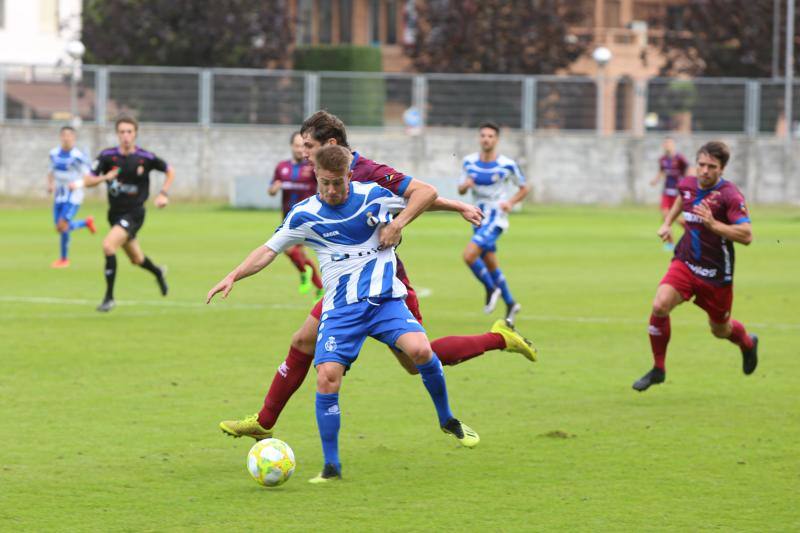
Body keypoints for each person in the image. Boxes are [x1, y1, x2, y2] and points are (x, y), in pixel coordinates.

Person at [218, 111, 536, 443]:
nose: (304, 152)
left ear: (330, 144)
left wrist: (408, 221)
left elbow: (418, 194)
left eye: (308, 146)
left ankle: (499, 338)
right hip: (344, 283)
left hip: (383, 281)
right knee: (302, 342)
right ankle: (265, 420)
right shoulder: (326, 171)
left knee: (416, 360)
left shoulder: (367, 171)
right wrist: (456, 205)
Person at [208, 145, 480, 482]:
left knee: (422, 351)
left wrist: (436, 214)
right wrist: (234, 274)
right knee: (326, 377)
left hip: (385, 302)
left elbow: (424, 196)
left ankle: (446, 418)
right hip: (340, 311)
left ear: (349, 175)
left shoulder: (373, 196)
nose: (332, 190)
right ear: (316, 178)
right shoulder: (304, 214)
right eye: (325, 183)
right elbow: (267, 251)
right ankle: (331, 466)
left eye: (338, 183)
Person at [633, 141, 758, 392]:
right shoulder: (688, 184)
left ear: (722, 169)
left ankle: (747, 343)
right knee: (660, 305)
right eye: (701, 164)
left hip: (715, 275)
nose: (704, 171)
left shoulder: (730, 196)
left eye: (711, 167)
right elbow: (682, 198)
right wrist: (667, 223)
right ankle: (658, 369)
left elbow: (746, 235)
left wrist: (715, 226)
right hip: (686, 263)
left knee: (720, 330)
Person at [74, 116, 175, 312]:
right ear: (117, 134)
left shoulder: (145, 157)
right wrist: (105, 177)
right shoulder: (107, 156)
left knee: (108, 246)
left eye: (129, 132)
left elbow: (170, 171)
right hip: (114, 215)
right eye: (122, 132)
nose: (126, 136)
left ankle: (109, 298)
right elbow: (87, 181)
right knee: (137, 259)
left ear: (135, 133)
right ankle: (158, 273)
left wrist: (163, 193)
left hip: (135, 213)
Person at [458, 121, 530, 324]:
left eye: (490, 136)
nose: (486, 139)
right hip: (478, 216)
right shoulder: (469, 162)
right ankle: (510, 303)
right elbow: (461, 190)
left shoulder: (507, 164)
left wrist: (510, 202)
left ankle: (491, 288)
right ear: (479, 138)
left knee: (469, 255)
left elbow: (524, 187)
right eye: (483, 136)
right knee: (490, 263)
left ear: (496, 140)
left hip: (496, 217)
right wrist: (466, 184)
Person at [268, 131, 323, 298]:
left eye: (303, 146)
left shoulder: (312, 166)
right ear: (292, 146)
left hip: (308, 217)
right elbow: (271, 190)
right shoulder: (282, 167)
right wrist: (274, 189)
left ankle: (306, 274)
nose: (300, 149)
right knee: (295, 253)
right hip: (287, 217)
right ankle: (317, 285)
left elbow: (323, 186)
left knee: (289, 249)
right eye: (297, 145)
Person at [47, 126, 96, 268]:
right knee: (59, 227)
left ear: (74, 138)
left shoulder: (78, 156)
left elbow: (89, 176)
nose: (66, 138)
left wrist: (78, 184)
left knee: (62, 225)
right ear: (60, 137)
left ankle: (64, 259)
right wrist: (50, 185)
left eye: (69, 135)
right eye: (64, 135)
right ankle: (85, 223)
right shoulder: (54, 153)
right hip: (59, 195)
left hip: (74, 196)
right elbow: (50, 171)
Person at [650, 137, 690, 250]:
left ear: (673, 145)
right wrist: (655, 180)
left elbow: (688, 169)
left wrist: (687, 182)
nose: (667, 146)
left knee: (676, 218)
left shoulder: (680, 158)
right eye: (666, 144)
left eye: (669, 144)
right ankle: (670, 243)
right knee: (665, 216)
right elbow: (662, 171)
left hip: (677, 193)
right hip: (666, 192)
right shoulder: (662, 159)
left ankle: (690, 229)